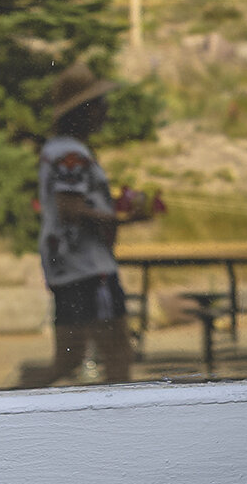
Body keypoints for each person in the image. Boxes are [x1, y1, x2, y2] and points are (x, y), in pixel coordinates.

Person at [39, 63, 159, 385]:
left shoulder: (62, 151)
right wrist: (126, 217)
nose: (104, 110)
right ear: (81, 111)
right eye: (98, 103)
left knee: (69, 360)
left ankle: (7, 399)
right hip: (88, 269)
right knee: (117, 355)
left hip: (72, 268)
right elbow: (70, 208)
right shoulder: (70, 155)